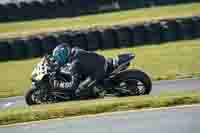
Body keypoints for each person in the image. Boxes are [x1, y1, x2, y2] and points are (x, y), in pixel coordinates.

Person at [50, 43, 118, 96]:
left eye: (58, 59)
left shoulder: (74, 65)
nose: (57, 61)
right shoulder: (75, 50)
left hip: (98, 71)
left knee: (79, 91)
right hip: (101, 61)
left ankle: (98, 93)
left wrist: (59, 84)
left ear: (62, 57)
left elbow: (73, 85)